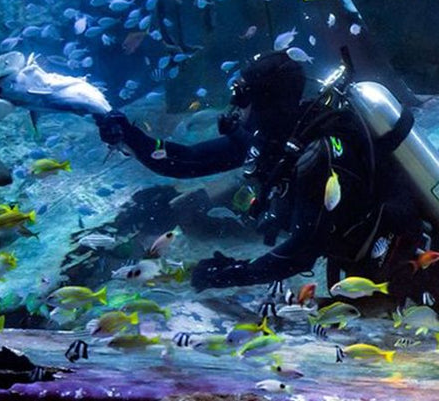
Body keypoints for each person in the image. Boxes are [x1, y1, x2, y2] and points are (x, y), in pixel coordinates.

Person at [95, 50, 432, 303]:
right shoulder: (273, 137)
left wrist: (232, 274)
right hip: (357, 261)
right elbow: (184, 161)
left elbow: (301, 252)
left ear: (268, 105)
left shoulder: (318, 154)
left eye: (245, 100)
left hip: (406, 261)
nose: (237, 111)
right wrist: (126, 132)